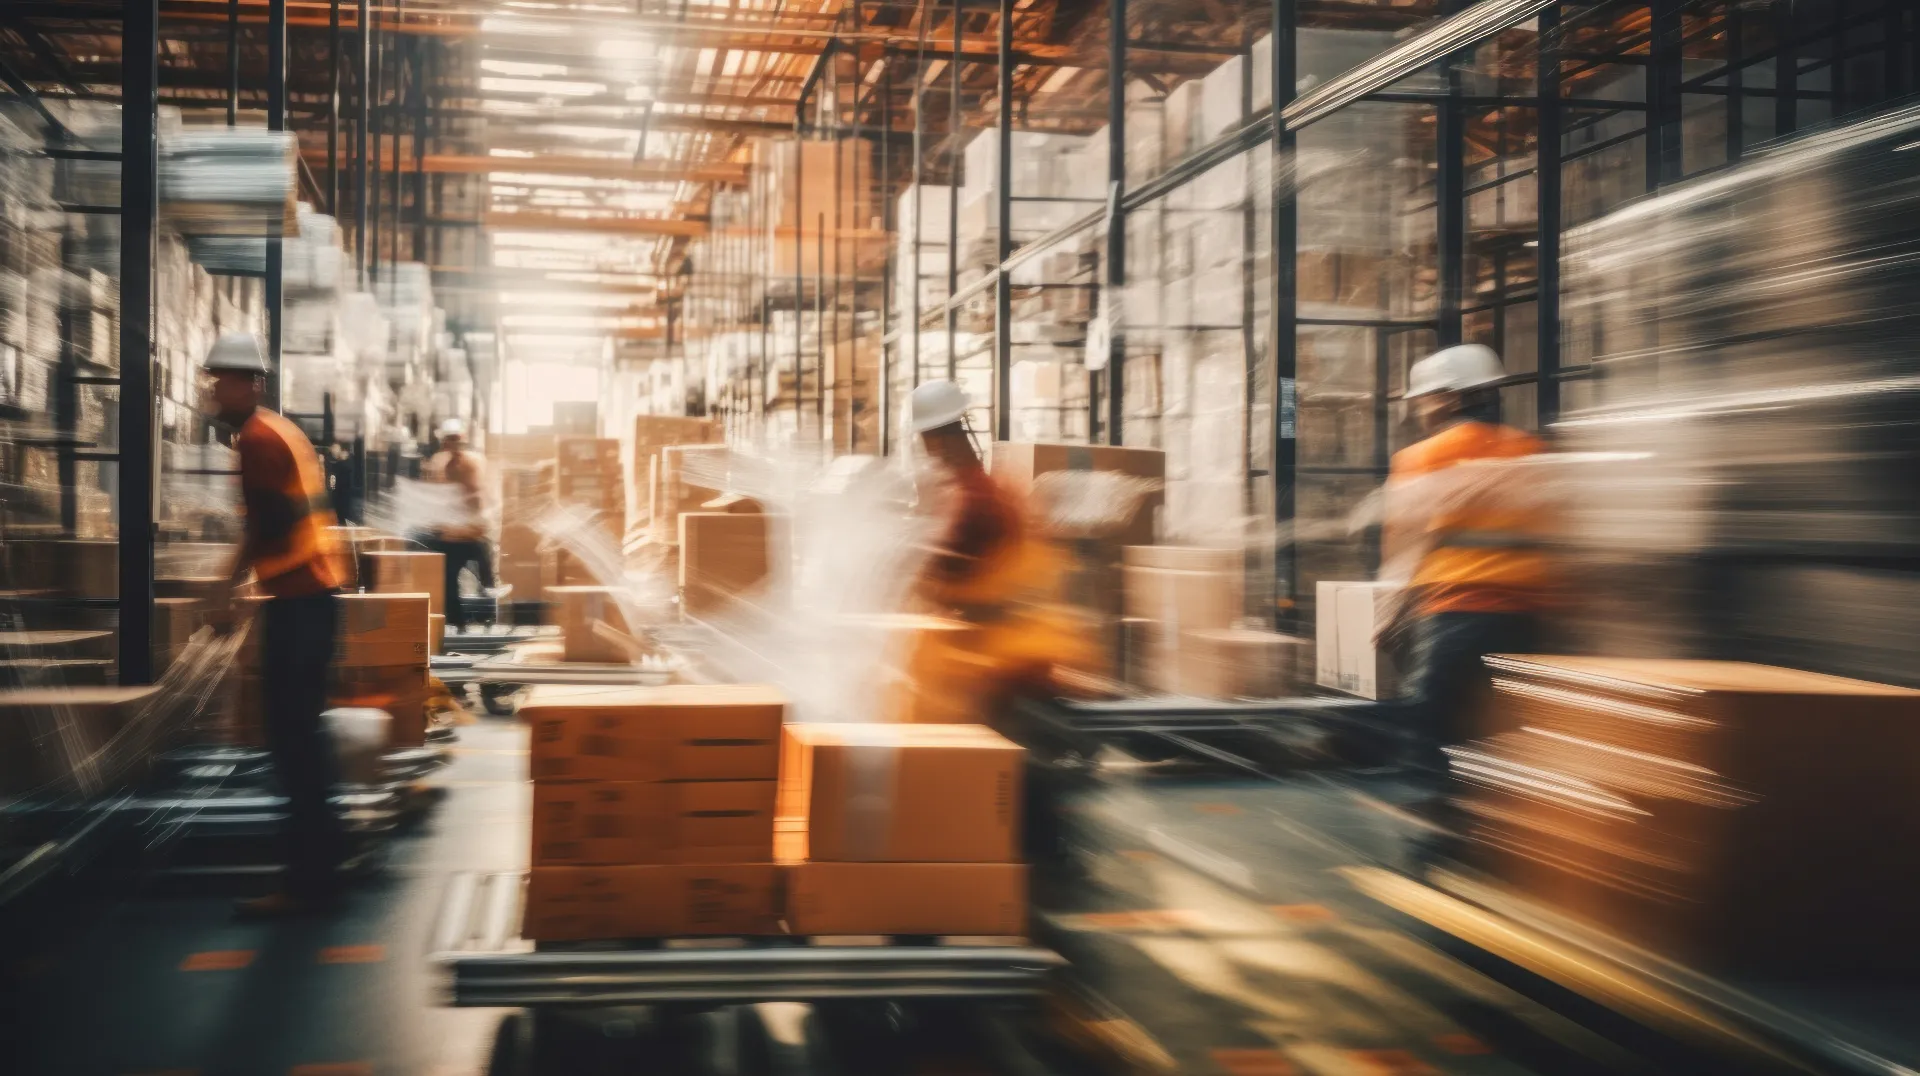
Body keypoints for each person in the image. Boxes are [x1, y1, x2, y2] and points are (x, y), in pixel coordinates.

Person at [899, 380, 1094, 867]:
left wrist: (915, 577)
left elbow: (945, 575)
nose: (928, 452)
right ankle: (1040, 849)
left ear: (937, 440)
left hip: (1004, 652)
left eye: (928, 442)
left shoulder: (975, 499)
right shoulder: (988, 485)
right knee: (1012, 760)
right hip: (1017, 642)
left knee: (986, 752)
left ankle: (1036, 858)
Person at [202, 332, 352, 916]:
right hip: (308, 598)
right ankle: (322, 871)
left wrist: (225, 591)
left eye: (223, 379)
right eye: (212, 379)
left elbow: (265, 529)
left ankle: (308, 883)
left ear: (252, 383)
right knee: (302, 743)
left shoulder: (260, 440)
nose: (213, 389)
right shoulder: (275, 431)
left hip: (302, 601)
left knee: (293, 744)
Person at [1379, 344, 1552, 831]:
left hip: (1456, 610)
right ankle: (1503, 807)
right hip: (1527, 612)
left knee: (1431, 709)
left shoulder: (1422, 457)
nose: (1418, 407)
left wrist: (1387, 613)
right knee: (1503, 716)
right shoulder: (1529, 451)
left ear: (1448, 399)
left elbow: (1406, 546)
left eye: (1425, 398)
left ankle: (1442, 806)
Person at [417, 418, 495, 634]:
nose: (453, 445)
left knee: (485, 573)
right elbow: (433, 493)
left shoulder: (473, 462)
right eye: (449, 440)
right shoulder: (438, 462)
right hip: (449, 536)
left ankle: (487, 611)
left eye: (456, 440)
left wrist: (475, 521)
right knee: (449, 582)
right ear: (444, 442)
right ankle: (459, 623)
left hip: (471, 534)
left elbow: (478, 494)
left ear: (462, 441)